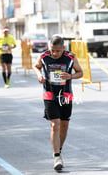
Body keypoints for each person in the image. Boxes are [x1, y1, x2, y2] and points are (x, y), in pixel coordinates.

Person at [33, 35, 83, 170]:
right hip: (49, 94)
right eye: (52, 50)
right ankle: (56, 156)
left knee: (64, 125)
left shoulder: (70, 57)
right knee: (55, 124)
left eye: (58, 51)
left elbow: (80, 72)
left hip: (65, 94)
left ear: (63, 48)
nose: (54, 54)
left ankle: (59, 149)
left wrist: (71, 76)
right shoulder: (44, 57)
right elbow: (36, 66)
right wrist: (39, 75)